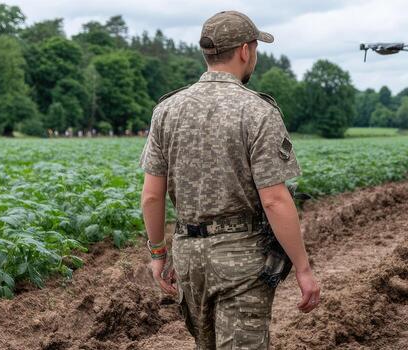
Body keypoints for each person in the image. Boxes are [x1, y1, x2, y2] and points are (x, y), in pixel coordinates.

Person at [139, 10, 320, 349]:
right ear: (244, 51)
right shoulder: (257, 111)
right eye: (255, 49)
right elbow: (275, 199)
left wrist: (158, 253)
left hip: (188, 257)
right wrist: (303, 268)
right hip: (242, 259)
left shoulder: (166, 110)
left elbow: (151, 196)